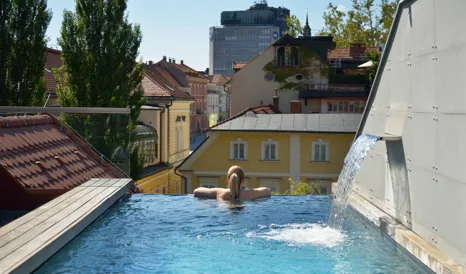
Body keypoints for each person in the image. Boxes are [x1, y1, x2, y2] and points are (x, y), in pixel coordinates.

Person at [193, 166, 271, 201]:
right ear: (243, 180)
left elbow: (196, 191)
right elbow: (267, 190)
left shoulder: (220, 192)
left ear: (227, 180)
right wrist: (254, 190)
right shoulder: (250, 193)